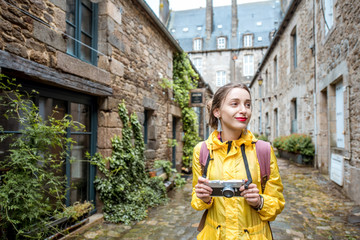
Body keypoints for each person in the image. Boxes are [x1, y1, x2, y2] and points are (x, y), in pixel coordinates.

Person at [191, 83, 285, 240]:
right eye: (235, 104)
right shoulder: (202, 151)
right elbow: (196, 198)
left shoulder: (264, 150)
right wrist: (204, 198)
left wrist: (259, 202)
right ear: (217, 111)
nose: (244, 110)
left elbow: (277, 202)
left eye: (247, 104)